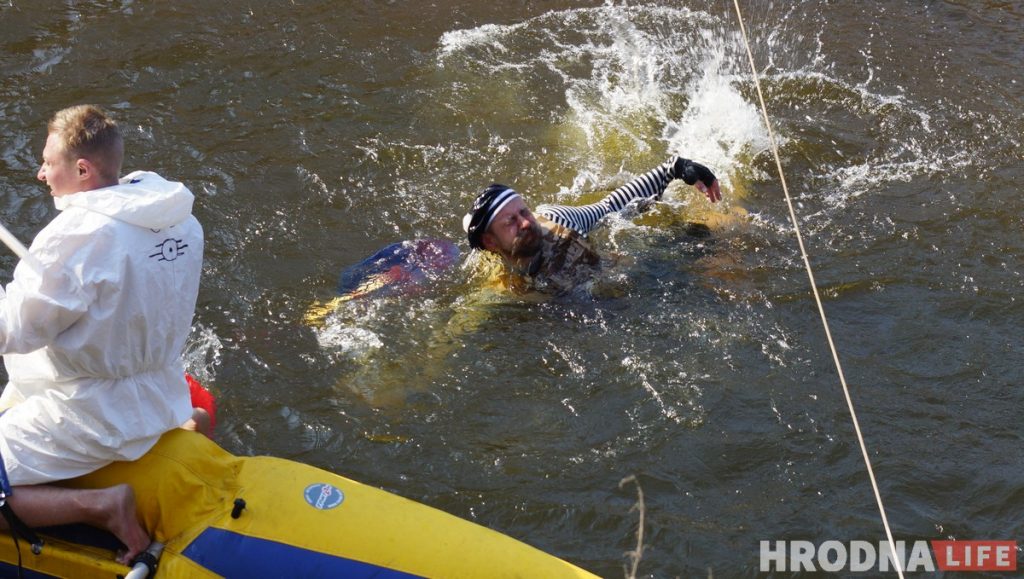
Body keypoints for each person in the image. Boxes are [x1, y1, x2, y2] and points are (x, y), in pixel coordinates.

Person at [0, 105, 204, 564]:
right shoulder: (175, 215)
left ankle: (102, 506)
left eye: (48, 162)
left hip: (92, 413)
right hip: (160, 388)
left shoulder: (77, 236)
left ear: (82, 169)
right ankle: (185, 421)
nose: (40, 173)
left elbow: (14, 332)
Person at [462, 155, 722, 294]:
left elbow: (612, 206)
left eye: (524, 212)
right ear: (490, 242)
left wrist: (674, 168)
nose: (526, 223)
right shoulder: (488, 270)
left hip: (629, 271)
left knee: (704, 241)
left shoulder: (559, 223)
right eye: (511, 222)